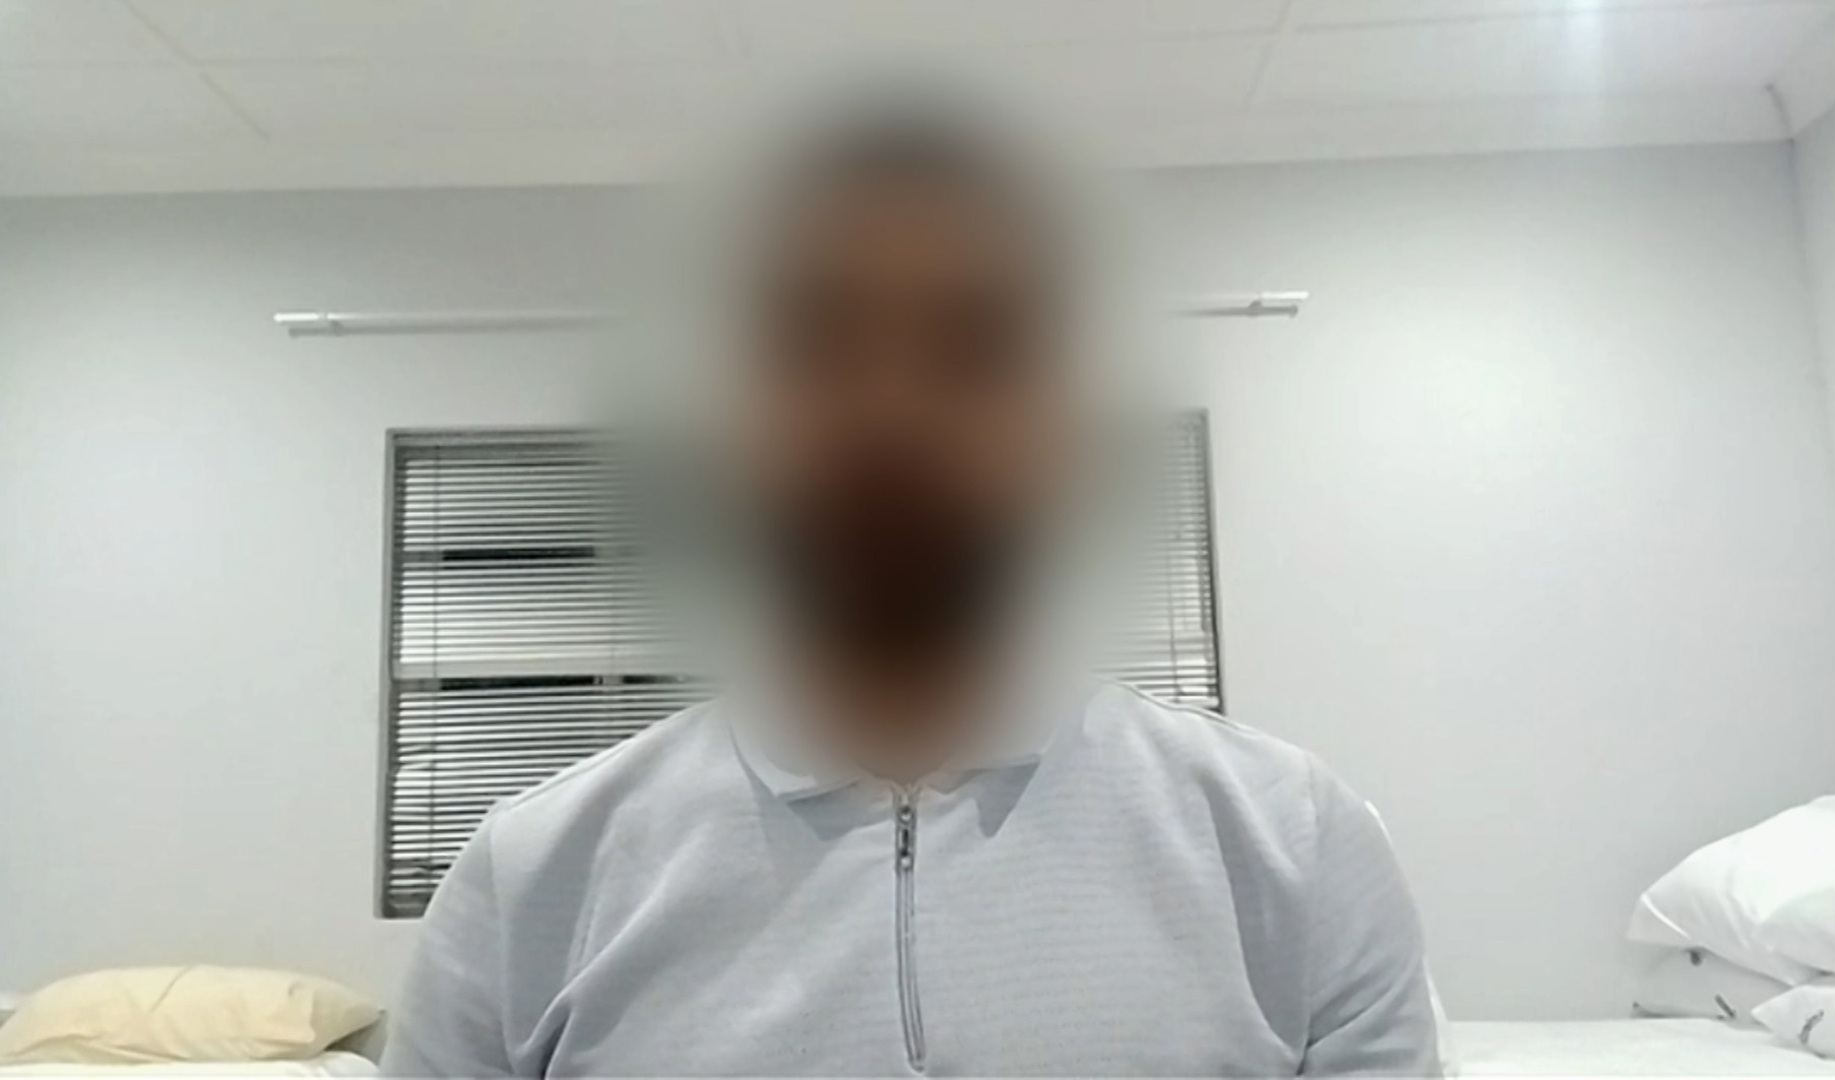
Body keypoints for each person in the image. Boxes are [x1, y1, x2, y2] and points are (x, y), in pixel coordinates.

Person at [383, 95, 1441, 1078]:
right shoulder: (522, 889)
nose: (889, 408)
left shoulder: (1298, 852)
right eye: (817, 340)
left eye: (975, 345)